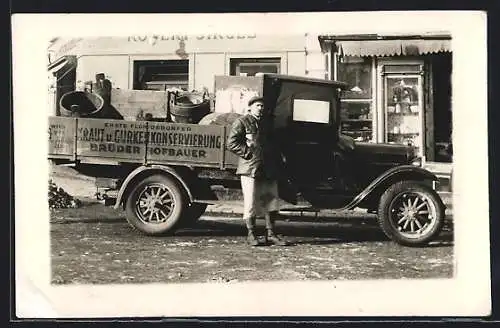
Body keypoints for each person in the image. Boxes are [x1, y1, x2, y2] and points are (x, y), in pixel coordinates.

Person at [227, 96, 287, 247]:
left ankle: (271, 234)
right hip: (250, 168)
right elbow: (232, 143)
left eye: (262, 106)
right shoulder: (242, 122)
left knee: (271, 201)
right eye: (258, 105)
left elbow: (273, 144)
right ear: (250, 108)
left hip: (268, 168)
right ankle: (251, 234)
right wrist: (248, 154)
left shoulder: (267, 124)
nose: (260, 108)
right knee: (251, 203)